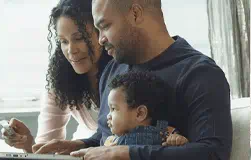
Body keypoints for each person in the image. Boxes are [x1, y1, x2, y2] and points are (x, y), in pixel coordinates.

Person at [35, 0, 232, 159]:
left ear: (135, 13)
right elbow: (107, 136)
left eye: (104, 26)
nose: (100, 39)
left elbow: (213, 153)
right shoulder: (113, 69)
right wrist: (80, 144)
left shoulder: (199, 74)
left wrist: (126, 153)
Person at [1, 0, 113, 154]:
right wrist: (28, 142)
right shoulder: (61, 79)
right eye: (64, 41)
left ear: (101, 32)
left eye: (79, 38)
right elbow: (45, 149)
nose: (71, 50)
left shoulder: (122, 71)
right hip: (78, 153)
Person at [103, 71, 188, 147]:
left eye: (113, 108)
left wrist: (177, 139)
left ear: (140, 113)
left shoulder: (161, 131)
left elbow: (176, 137)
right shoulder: (111, 140)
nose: (108, 116)